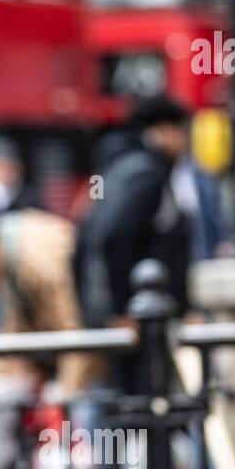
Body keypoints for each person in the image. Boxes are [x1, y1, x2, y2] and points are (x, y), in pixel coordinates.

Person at [73, 94, 192, 333]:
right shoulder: (147, 176)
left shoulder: (117, 169)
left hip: (106, 309)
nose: (185, 142)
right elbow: (118, 237)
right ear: (163, 130)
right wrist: (123, 310)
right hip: (138, 317)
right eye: (181, 132)